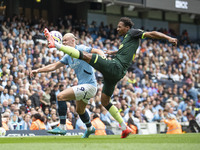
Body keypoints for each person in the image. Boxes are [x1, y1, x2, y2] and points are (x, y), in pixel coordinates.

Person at [44, 17, 177, 138]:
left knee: (84, 55)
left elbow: (151, 33)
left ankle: (55, 44)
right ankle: (125, 127)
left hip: (115, 67)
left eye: (120, 27)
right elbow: (124, 52)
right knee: (105, 101)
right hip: (117, 74)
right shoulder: (127, 39)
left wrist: (168, 38)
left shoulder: (133, 33)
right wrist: (113, 52)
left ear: (127, 28)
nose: (117, 29)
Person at [31, 33, 105, 138]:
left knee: (60, 96)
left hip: (90, 85)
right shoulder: (68, 56)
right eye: (63, 41)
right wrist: (38, 70)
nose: (63, 42)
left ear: (73, 41)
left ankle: (62, 126)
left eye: (65, 40)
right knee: (80, 110)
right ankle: (90, 128)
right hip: (83, 86)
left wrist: (103, 57)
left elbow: (97, 51)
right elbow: (54, 66)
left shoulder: (81, 48)